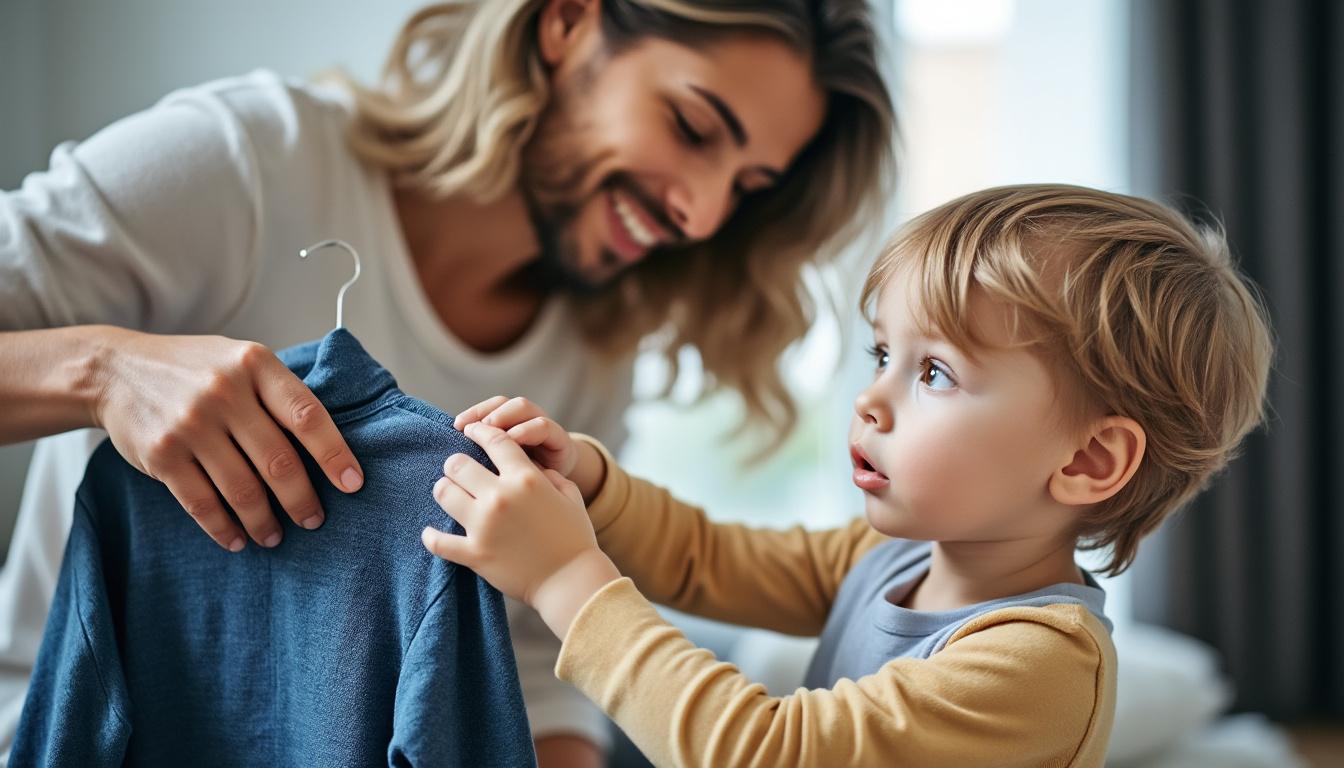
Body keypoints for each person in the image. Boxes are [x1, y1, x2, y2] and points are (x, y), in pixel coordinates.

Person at [0, 1, 896, 764]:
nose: (700, 213)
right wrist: (102, 370)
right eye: (693, 128)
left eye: (745, 187)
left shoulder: (594, 345)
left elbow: (534, 657)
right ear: (567, 22)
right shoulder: (248, 167)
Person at [424, 183, 1274, 767]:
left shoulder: (1038, 666)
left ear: (1087, 461)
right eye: (881, 354)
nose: (869, 400)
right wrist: (590, 483)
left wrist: (570, 578)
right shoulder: (891, 562)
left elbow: (763, 751)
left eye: (933, 372)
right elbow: (707, 557)